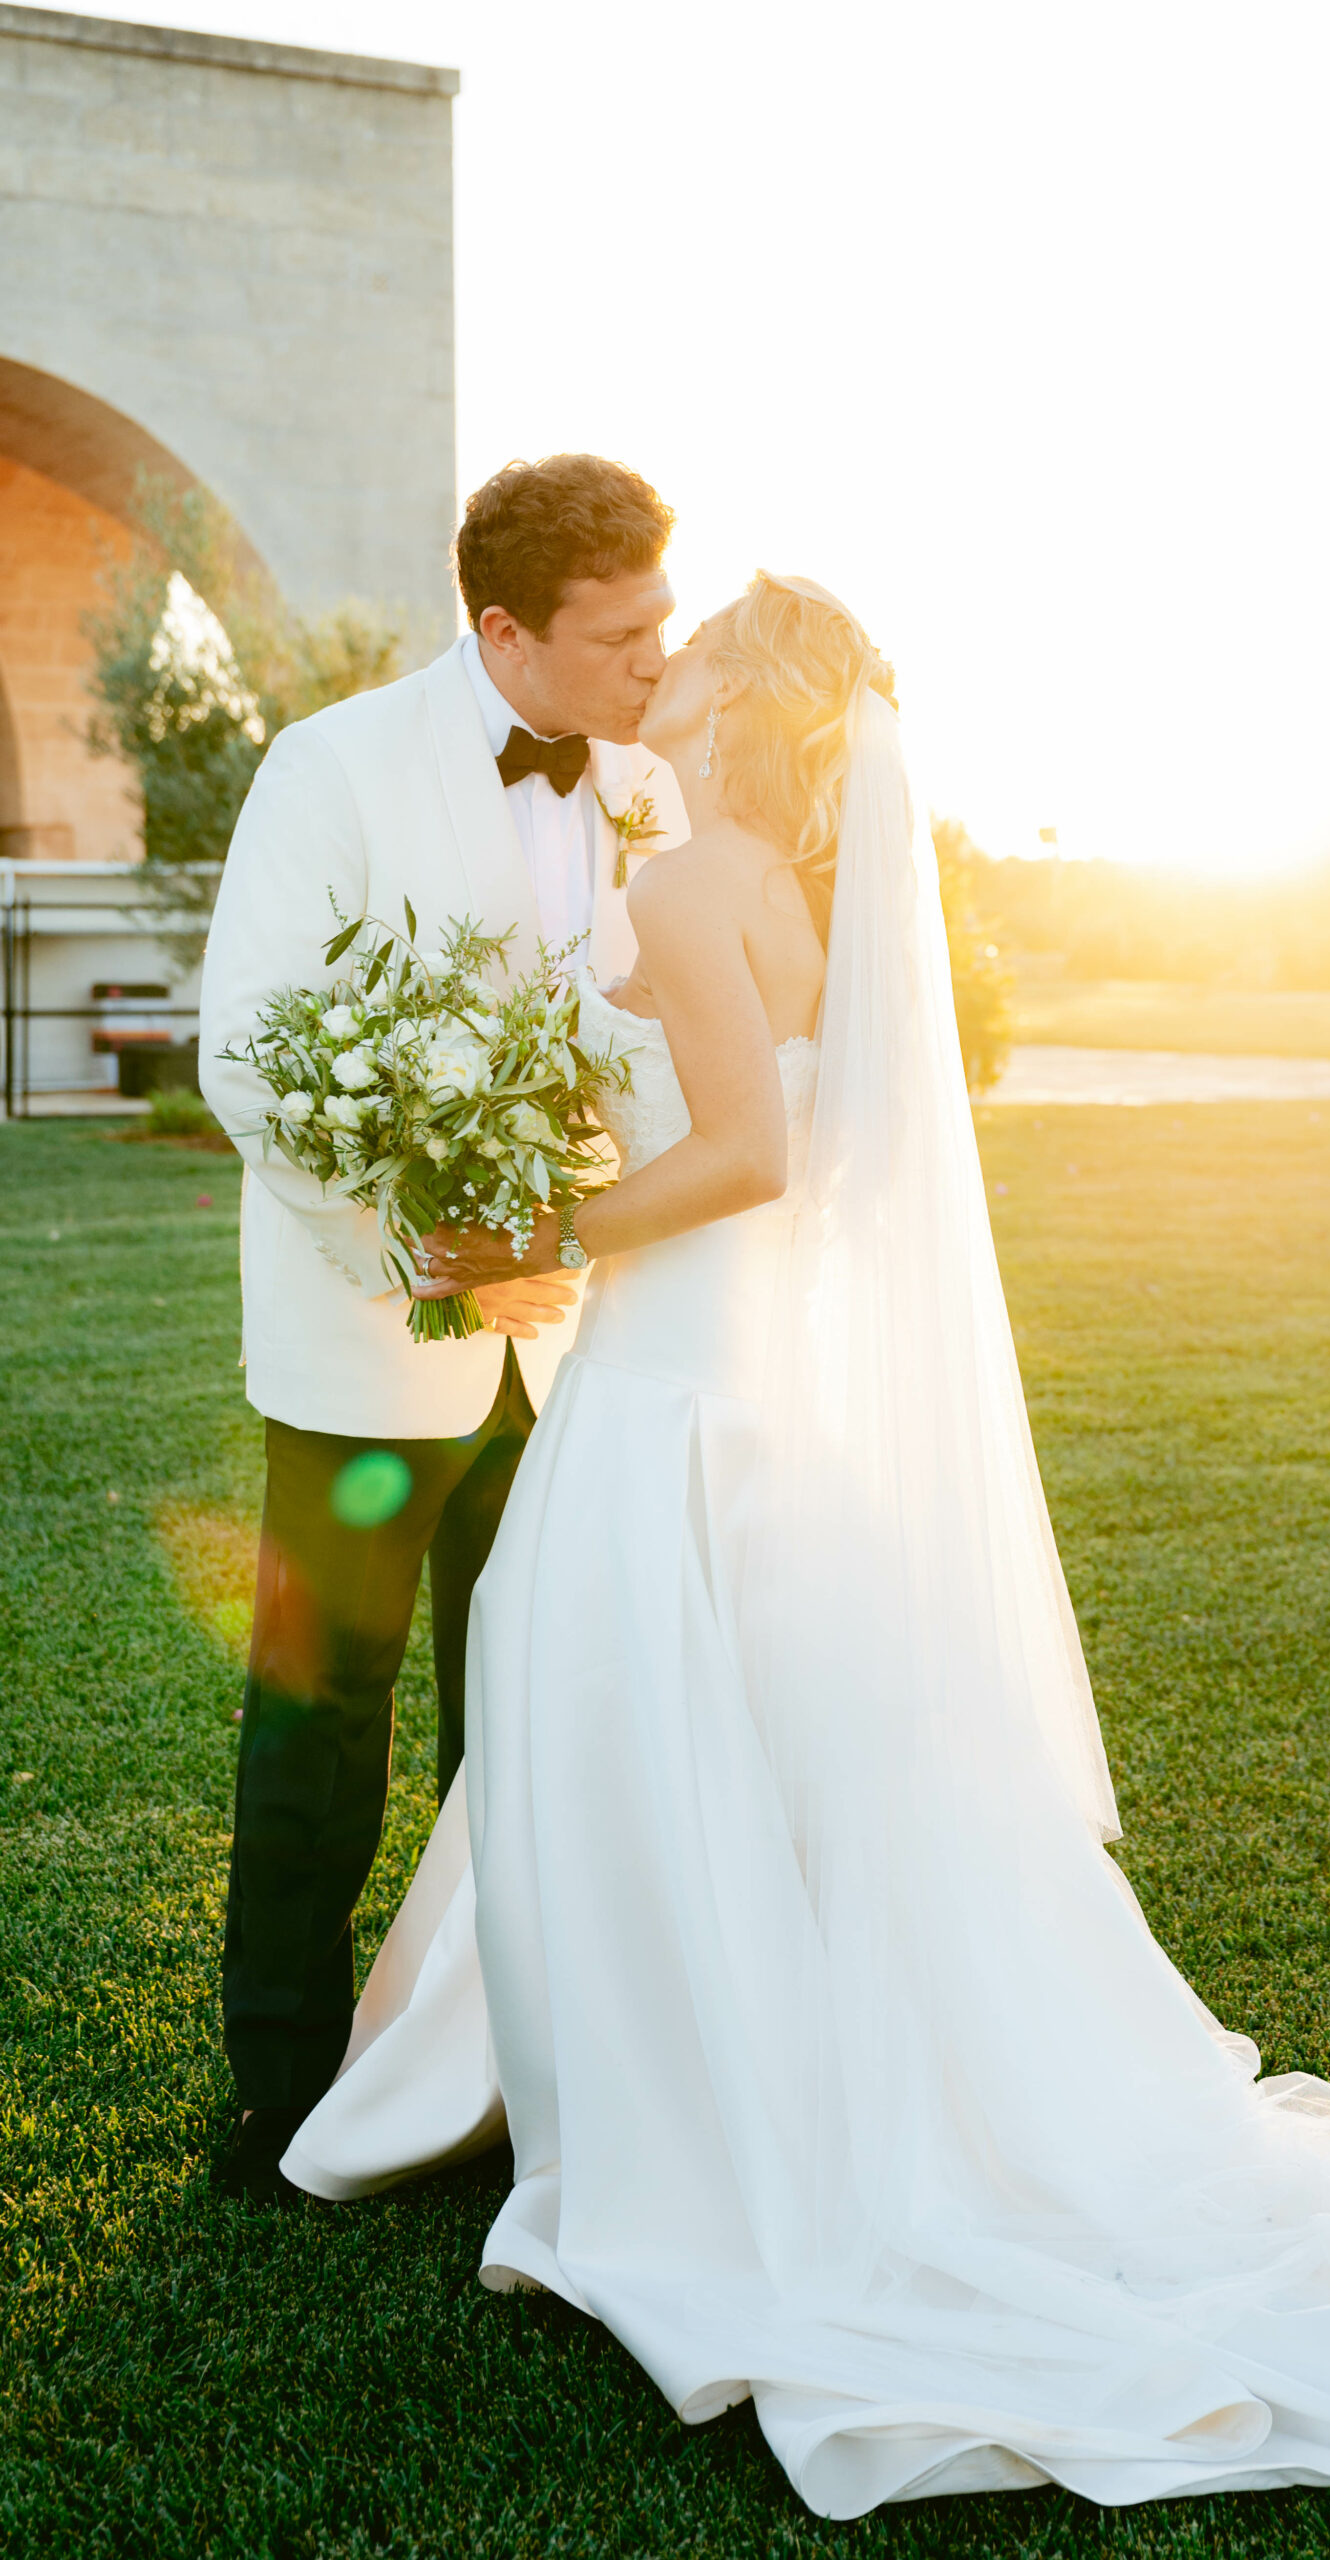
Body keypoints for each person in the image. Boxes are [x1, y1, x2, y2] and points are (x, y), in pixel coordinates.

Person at [283, 575, 1330, 2518]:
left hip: (675, 1402)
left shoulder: (698, 885)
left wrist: (538, 1234)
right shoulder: (791, 884)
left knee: (635, 1734)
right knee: (731, 1764)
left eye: (691, 651)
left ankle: (685, 2140)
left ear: (737, 698)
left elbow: (751, 1160)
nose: (665, 662)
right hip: (743, 1395)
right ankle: (708, 2086)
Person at [197, 454, 686, 2205]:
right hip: (363, 1349)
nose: (656, 664)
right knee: (323, 1721)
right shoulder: (328, 768)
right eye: (622, 636)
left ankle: (502, 2084)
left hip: (575, 1350)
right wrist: (428, 1239)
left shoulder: (650, 784)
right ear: (503, 628)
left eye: (663, 626)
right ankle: (284, 2095)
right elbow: (250, 1050)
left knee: (531, 1728)